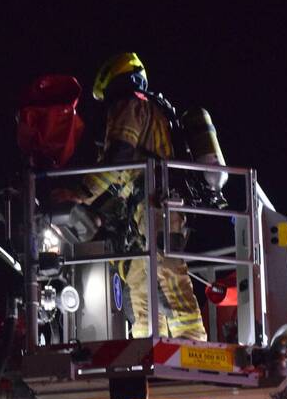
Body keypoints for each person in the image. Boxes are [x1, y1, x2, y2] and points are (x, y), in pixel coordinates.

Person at [58, 52, 208, 341]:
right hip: (144, 208)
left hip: (157, 203)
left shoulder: (130, 104)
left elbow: (120, 157)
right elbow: (122, 175)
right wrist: (100, 213)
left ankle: (191, 343)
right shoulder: (150, 109)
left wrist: (81, 194)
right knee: (141, 279)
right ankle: (147, 342)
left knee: (167, 270)